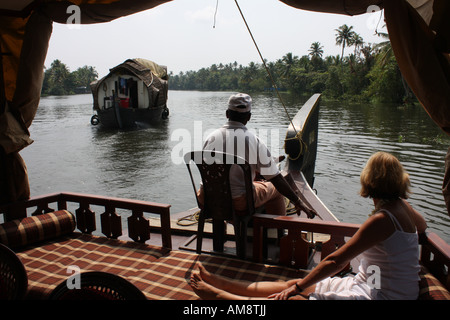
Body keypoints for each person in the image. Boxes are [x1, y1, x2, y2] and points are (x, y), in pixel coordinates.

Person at [190, 151, 428, 300]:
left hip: (381, 294)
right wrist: (300, 285)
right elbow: (422, 226)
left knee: (295, 296)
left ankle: (221, 296)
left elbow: (337, 261)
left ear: (369, 181)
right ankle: (223, 283)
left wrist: (299, 288)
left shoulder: (382, 220)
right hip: (368, 283)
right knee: (296, 284)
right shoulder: (402, 207)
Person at [197, 93, 316, 218]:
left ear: (227, 114)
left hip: (206, 198)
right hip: (239, 202)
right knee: (274, 189)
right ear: (249, 117)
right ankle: (278, 232)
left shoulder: (210, 138)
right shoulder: (253, 140)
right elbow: (276, 178)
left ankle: (223, 230)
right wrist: (297, 201)